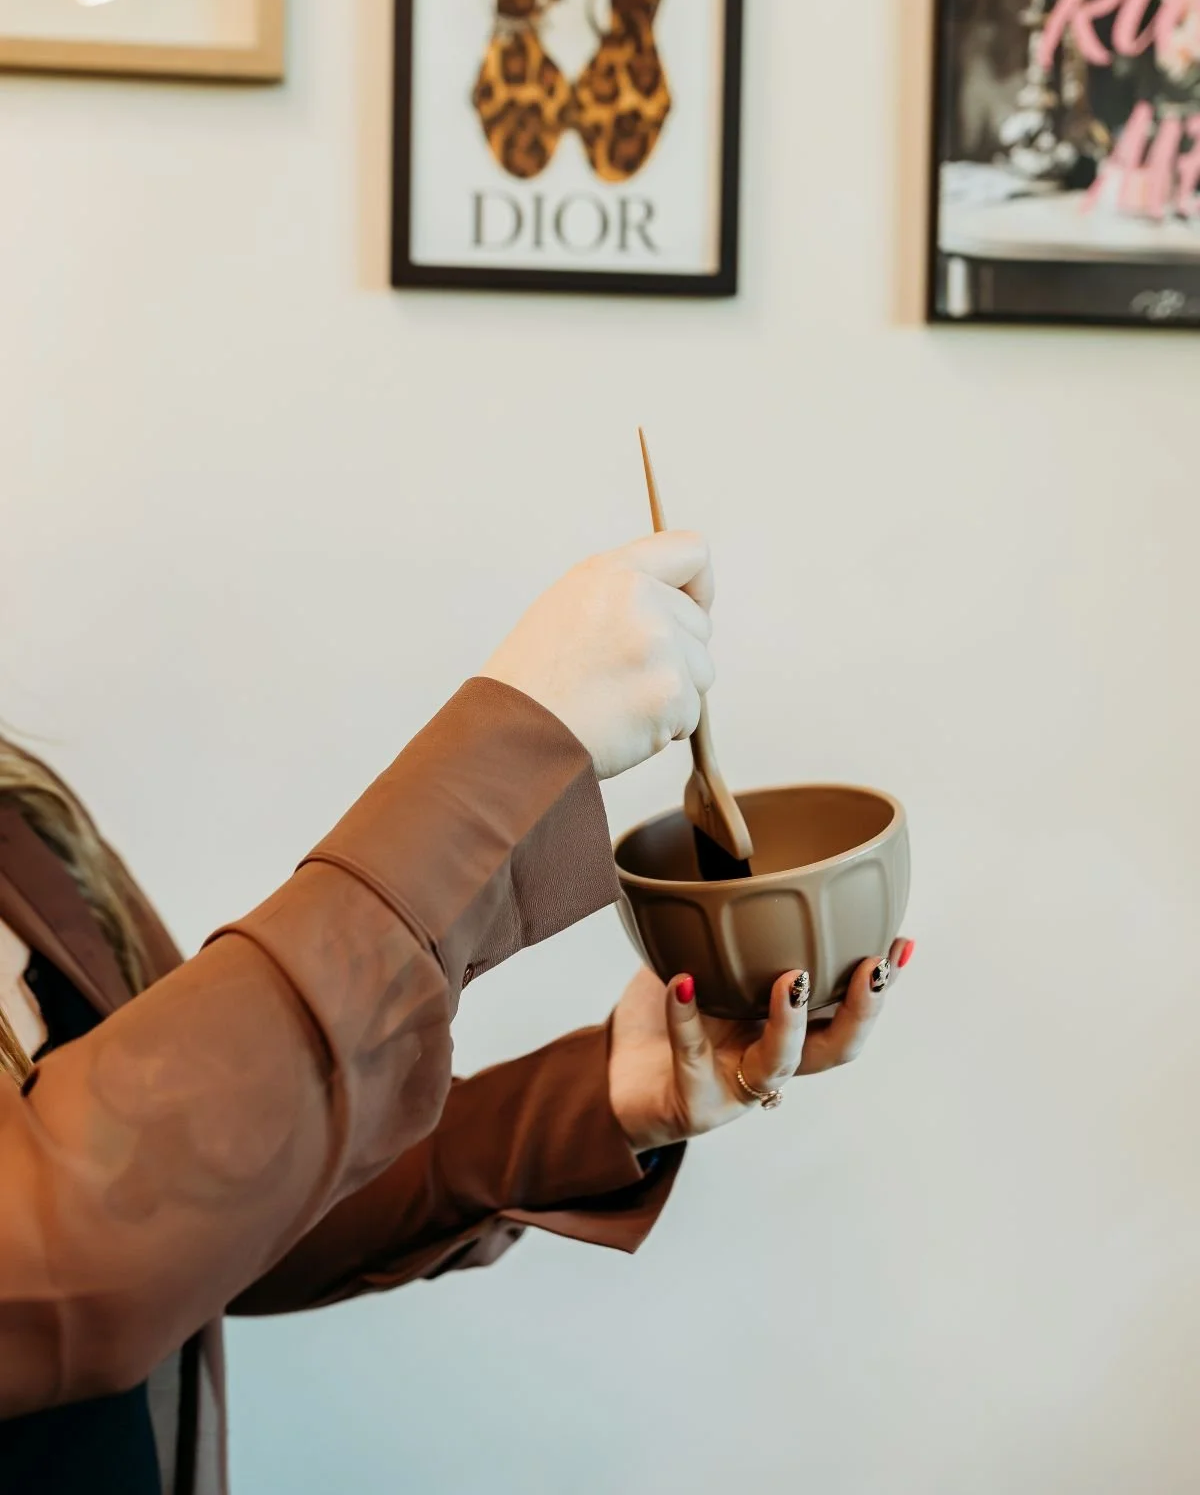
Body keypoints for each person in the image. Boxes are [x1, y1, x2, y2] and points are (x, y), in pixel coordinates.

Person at [0, 531, 912, 1495]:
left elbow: (208, 1198)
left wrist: (601, 1097)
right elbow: (64, 1252)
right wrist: (503, 752)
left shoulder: (21, 821)